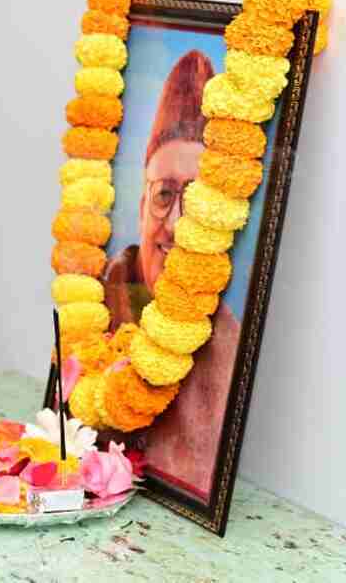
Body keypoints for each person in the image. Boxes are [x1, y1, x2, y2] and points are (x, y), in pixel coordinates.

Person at [103, 49, 240, 499]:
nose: (177, 223)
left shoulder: (227, 347)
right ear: (141, 206)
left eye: (195, 201)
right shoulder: (94, 300)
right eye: (164, 194)